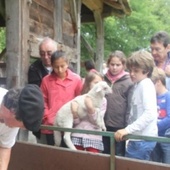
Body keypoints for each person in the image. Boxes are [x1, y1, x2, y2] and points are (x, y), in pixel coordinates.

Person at [114, 50, 158, 161]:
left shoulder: (146, 85)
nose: (132, 74)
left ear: (146, 71)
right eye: (130, 70)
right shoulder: (138, 85)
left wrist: (127, 130)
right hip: (138, 139)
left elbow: (150, 113)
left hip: (142, 140)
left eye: (136, 71)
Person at [40, 50, 82, 145]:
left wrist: (76, 117)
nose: (59, 70)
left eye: (62, 66)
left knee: (68, 156)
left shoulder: (76, 79)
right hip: (51, 124)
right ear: (51, 65)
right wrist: (47, 116)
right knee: (52, 154)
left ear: (67, 63)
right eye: (56, 67)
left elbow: (80, 99)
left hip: (70, 123)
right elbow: (42, 101)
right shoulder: (46, 81)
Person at [0, 84, 44, 170]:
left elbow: (4, 147)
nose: (22, 128)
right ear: (12, 112)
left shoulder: (10, 123)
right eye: (23, 125)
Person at [103, 50, 133, 156]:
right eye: (112, 64)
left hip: (120, 126)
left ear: (123, 65)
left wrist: (127, 125)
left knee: (118, 154)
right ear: (108, 64)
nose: (114, 67)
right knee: (105, 153)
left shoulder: (129, 81)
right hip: (104, 124)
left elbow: (130, 105)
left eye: (118, 65)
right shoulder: (103, 78)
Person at [71, 71, 107, 153]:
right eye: (96, 83)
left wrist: (91, 109)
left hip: (93, 136)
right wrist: (74, 114)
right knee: (76, 160)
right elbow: (75, 122)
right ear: (88, 84)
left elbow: (98, 121)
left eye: (101, 83)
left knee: (92, 162)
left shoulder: (103, 100)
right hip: (77, 135)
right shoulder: (80, 98)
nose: (99, 85)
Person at [151, 67, 170, 164]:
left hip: (166, 138)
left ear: (158, 82)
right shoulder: (152, 97)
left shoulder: (168, 96)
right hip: (154, 137)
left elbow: (169, 118)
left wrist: (155, 127)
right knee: (155, 164)